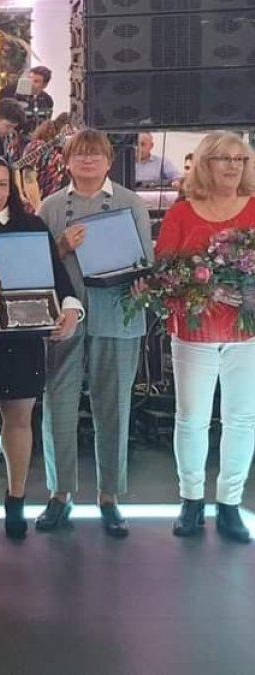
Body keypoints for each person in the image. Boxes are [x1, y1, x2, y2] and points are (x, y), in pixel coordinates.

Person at [0, 156, 82, 540]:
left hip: (24, 337)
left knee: (20, 417)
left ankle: (16, 499)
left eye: (2, 184)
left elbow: (58, 280)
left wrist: (70, 310)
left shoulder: (32, 225)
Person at [36, 129, 154, 538]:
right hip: (63, 319)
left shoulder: (129, 202)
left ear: (108, 161)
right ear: (66, 161)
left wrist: (142, 282)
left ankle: (110, 496)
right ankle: (59, 492)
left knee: (114, 405)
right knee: (58, 405)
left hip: (117, 315)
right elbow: (35, 268)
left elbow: (147, 261)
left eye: (95, 155)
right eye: (79, 155)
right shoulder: (51, 206)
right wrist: (60, 246)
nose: (87, 162)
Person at [153, 132, 255, 543]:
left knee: (242, 419)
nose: (233, 166)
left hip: (246, 333)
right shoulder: (181, 213)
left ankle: (230, 503)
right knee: (191, 418)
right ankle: (191, 500)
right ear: (205, 164)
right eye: (223, 158)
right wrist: (204, 288)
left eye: (240, 159)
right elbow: (163, 271)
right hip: (193, 331)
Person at [0, 66, 55, 135]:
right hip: (8, 134)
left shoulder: (47, 100)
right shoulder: (12, 90)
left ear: (44, 85)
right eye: (30, 79)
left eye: (36, 81)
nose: (31, 83)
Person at [20, 112, 74, 200]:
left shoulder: (61, 152)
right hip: (40, 203)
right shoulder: (38, 147)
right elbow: (29, 179)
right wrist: (38, 208)